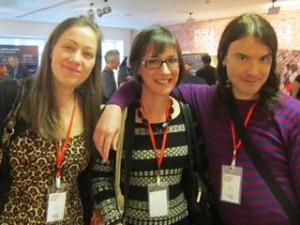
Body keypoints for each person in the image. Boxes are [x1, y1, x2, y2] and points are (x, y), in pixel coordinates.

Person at [93, 13, 300, 225]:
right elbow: (152, 83)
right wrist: (114, 106)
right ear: (224, 56)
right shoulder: (204, 99)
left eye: (264, 58)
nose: (253, 71)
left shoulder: (292, 115)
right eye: (242, 57)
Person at [0, 16, 103, 224]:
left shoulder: (93, 109)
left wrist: (115, 107)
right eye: (68, 47)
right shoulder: (10, 95)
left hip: (72, 218)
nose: (76, 59)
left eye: (87, 54)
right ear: (50, 50)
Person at [91, 25, 197, 225]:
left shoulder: (187, 113)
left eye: (172, 60)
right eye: (153, 61)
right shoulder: (118, 119)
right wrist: (114, 221)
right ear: (137, 67)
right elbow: (100, 178)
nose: (165, 70)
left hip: (182, 219)